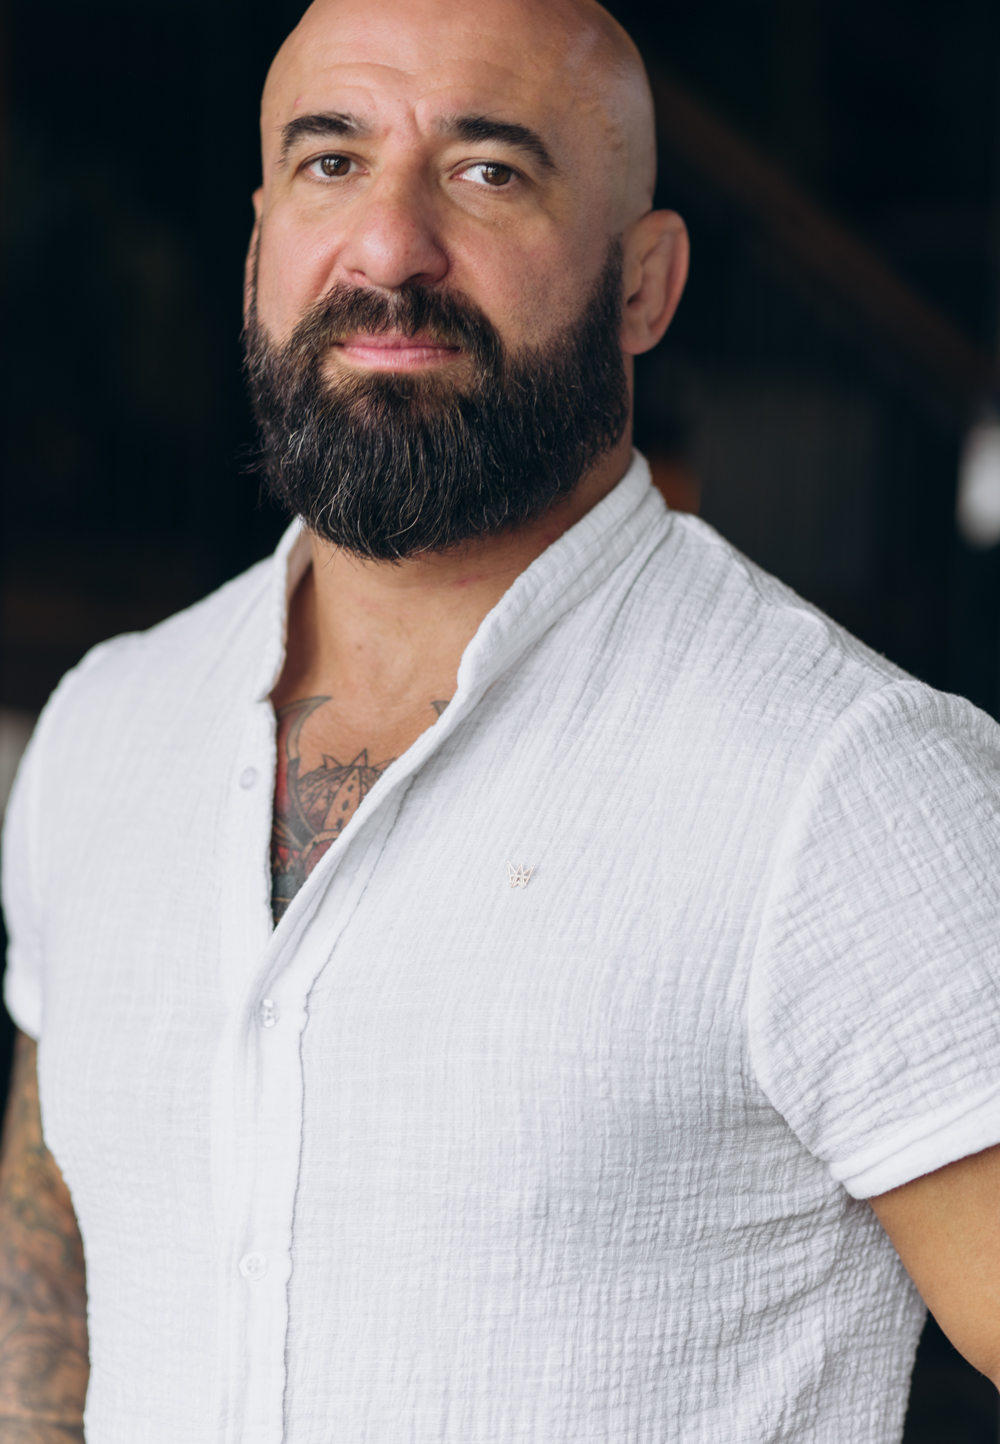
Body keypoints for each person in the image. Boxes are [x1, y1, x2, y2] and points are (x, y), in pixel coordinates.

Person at [2, 0, 1000, 1438]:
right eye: (331, 163)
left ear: (645, 285)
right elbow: (53, 1280)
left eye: (489, 171)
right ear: (259, 250)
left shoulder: (849, 784)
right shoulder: (106, 729)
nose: (389, 247)